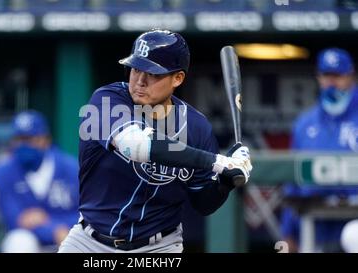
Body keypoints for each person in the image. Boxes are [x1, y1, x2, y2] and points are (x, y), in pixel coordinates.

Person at [58, 29, 253, 253]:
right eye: (135, 69)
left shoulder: (197, 128)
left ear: (177, 78)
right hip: (90, 243)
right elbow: (136, 145)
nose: (140, 81)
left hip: (159, 247)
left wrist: (225, 183)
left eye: (152, 73)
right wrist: (218, 161)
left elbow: (203, 204)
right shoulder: (107, 100)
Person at [280, 48, 358, 253]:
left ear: (351, 76)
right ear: (319, 77)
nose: (332, 82)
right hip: (315, 229)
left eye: (338, 76)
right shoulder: (305, 124)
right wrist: (287, 234)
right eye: (327, 75)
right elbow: (292, 183)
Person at [0, 110, 79, 253]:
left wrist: (51, 223)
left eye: (30, 139)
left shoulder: (70, 167)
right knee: (18, 241)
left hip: (68, 238)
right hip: (32, 241)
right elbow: (14, 219)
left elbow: (88, 215)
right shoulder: (4, 170)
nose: (23, 145)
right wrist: (53, 229)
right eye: (19, 139)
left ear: (45, 140)